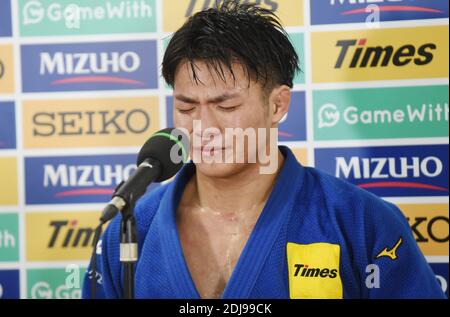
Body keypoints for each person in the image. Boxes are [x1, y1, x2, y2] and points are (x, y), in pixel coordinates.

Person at [82, 1, 445, 299]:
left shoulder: (361, 222)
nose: (203, 128)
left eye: (226, 107)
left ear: (278, 105)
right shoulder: (129, 232)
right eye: (187, 107)